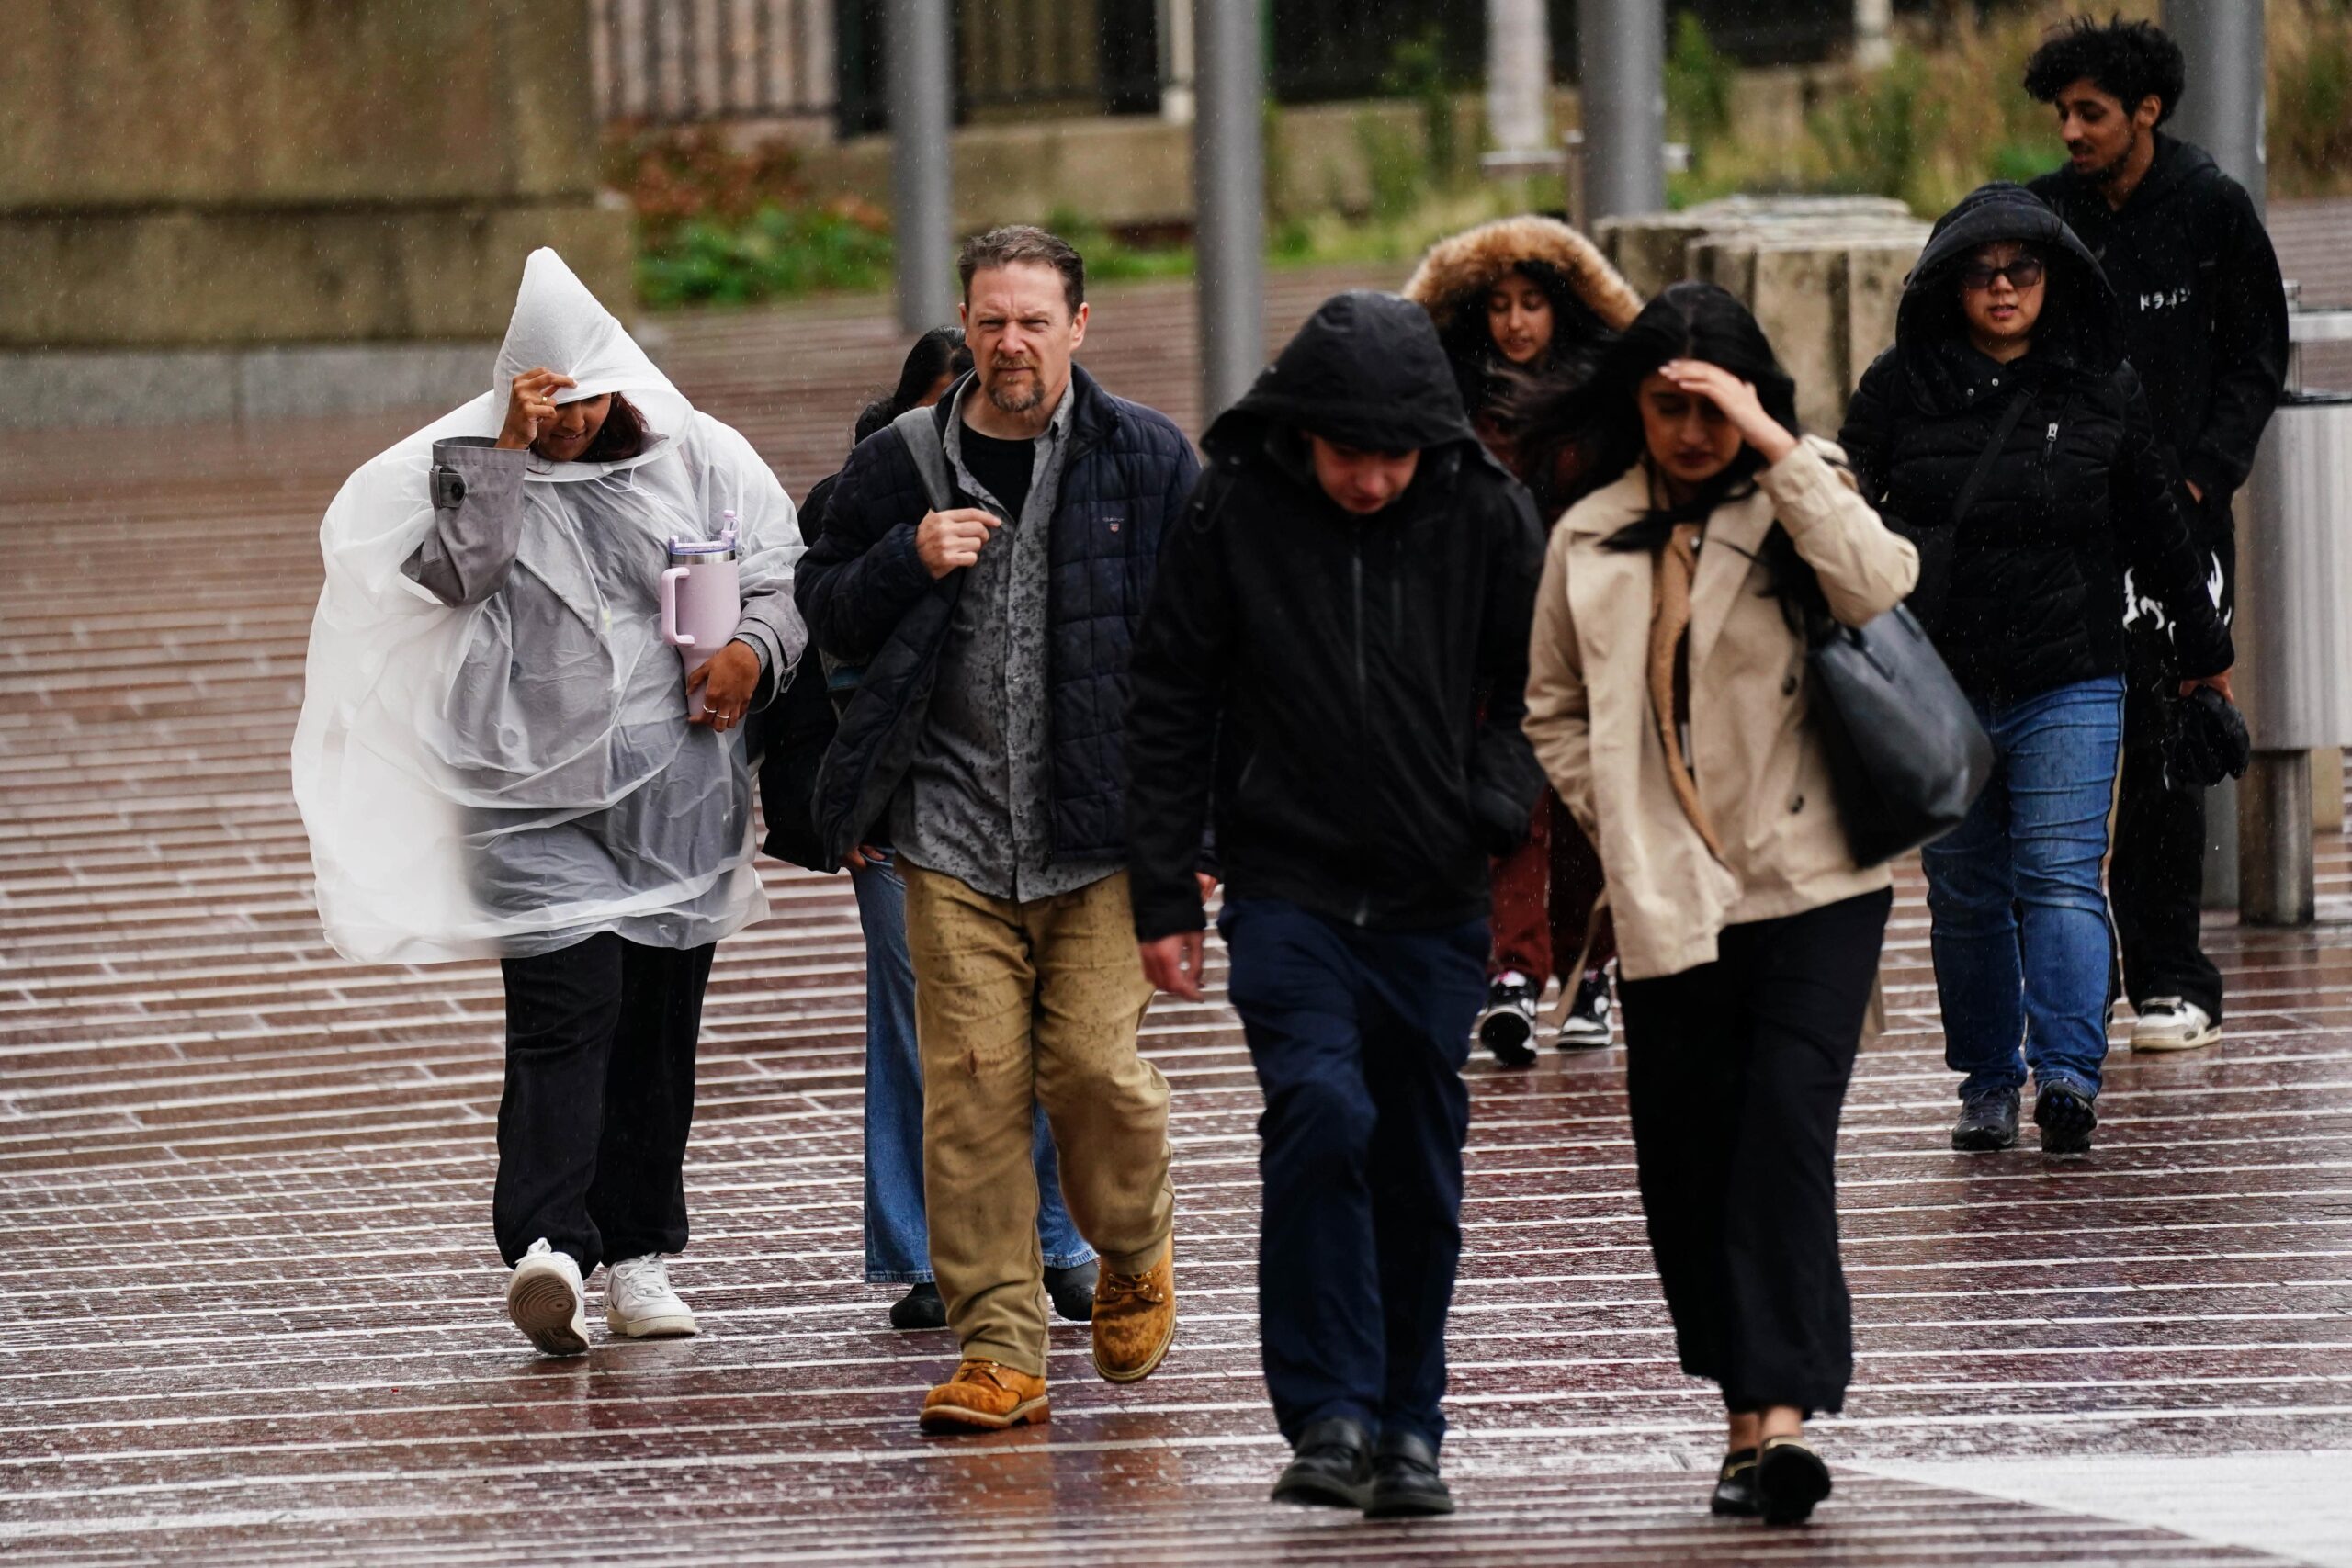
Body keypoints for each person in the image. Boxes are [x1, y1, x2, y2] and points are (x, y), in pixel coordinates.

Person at [291, 249, 805, 1355]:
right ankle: (549, 1247)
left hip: (676, 799)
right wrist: (508, 456)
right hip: (526, 802)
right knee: (567, 1013)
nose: (568, 422)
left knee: (660, 1027)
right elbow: (453, 579)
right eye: (544, 402)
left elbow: (775, 573)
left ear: (617, 381)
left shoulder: (700, 457)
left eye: (580, 400)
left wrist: (754, 652)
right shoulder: (477, 463)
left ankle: (642, 1255)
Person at [1127, 289, 1544, 1517]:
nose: (1371, 478)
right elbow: (1168, 693)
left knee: (1417, 1150)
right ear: (1303, 429)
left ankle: (1410, 1420)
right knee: (1319, 1109)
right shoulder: (1237, 505)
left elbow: (1541, 685)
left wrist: (1489, 798)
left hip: (1432, 894)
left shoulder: (1484, 510)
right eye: (1349, 453)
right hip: (1287, 882)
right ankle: (1328, 1409)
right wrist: (1163, 888)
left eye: (1394, 455)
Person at [1521, 282, 1918, 1526]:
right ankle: (1743, 1418)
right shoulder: (1587, 534)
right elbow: (1551, 707)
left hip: (1814, 880)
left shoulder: (1801, 493)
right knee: (1688, 1159)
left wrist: (1777, 443)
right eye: (1668, 404)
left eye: (1713, 403)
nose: (1691, 430)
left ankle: (1784, 1414)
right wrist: (1620, 809)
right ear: (1633, 405)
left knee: (1782, 1131)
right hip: (1665, 894)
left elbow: (1882, 585)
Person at [795, 226, 1200, 1433]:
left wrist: (1202, 826)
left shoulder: (1147, 460)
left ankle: (1132, 1237)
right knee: (969, 1090)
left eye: (1032, 319)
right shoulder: (901, 461)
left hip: (1103, 840)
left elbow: (1208, 654)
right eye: (989, 320)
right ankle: (999, 1345)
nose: (1009, 342)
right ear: (964, 327)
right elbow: (819, 601)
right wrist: (904, 559)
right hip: (951, 836)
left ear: (1079, 325)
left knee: (1092, 1071)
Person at [1841, 185, 2234, 1156]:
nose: (2003, 287)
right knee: (1964, 888)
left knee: (2059, 876)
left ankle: (2066, 1074)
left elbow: (2158, 527)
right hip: (1937, 686)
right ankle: (1986, 1080)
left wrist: (2205, 659)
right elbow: (1835, 509)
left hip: (2071, 672)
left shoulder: (2103, 385)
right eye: (1980, 273)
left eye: (2022, 269)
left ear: (2055, 281)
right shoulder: (1900, 386)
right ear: (1947, 286)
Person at [754, 329, 1100, 1330]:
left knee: (1049, 1029)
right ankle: (923, 1253)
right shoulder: (856, 500)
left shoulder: (1073, 486)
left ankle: (1057, 1239)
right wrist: (826, 802)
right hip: (904, 818)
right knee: (922, 1037)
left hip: (1041, 808)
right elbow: (811, 648)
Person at [2023, 17, 2288, 1054]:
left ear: (2147, 109)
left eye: (2090, 112)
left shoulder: (2212, 208)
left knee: (2169, 746)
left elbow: (2253, 359)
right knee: (2058, 749)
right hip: (2069, 532)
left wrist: (2198, 475)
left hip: (2180, 529)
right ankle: (2068, 984)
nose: (2071, 131)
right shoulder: (2042, 218)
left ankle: (2171, 977)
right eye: (2061, 113)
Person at [1403, 216, 1642, 1062]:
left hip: (1588, 632)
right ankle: (1513, 972)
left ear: (1562, 309)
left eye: (1534, 302)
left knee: (1586, 807)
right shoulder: (1451, 404)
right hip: (1489, 634)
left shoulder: (1610, 402)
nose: (1514, 322)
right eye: (1498, 304)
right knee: (1509, 805)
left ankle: (1589, 972)